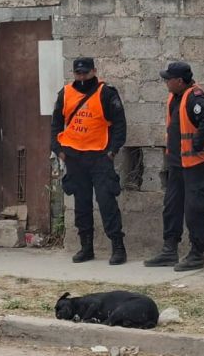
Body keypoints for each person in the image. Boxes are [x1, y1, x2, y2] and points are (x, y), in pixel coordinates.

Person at [51, 57, 128, 265]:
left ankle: (118, 247)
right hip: (74, 157)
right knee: (81, 205)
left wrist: (112, 151)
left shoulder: (106, 93)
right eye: (78, 73)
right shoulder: (66, 93)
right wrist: (58, 149)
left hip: (100, 157)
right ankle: (86, 247)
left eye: (85, 73)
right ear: (74, 73)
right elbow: (56, 123)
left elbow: (120, 124)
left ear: (94, 71)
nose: (82, 77)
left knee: (106, 202)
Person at [144, 61, 204, 271]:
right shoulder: (175, 97)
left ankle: (197, 255)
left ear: (179, 81)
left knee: (195, 209)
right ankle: (169, 250)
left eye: (168, 79)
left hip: (196, 165)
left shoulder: (195, 97)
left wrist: (197, 143)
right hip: (178, 165)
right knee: (172, 207)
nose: (166, 82)